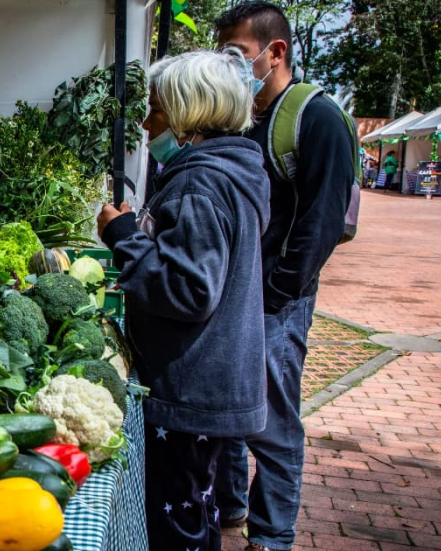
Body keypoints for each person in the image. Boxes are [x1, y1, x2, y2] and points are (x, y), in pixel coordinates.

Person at [97, 50, 270, 551]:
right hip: (215, 381)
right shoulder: (234, 171)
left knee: (178, 522)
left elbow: (189, 289)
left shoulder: (199, 182)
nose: (147, 125)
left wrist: (124, 237)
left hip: (190, 390)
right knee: (197, 508)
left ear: (188, 117)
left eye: (156, 110)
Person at [213, 3, 355, 551]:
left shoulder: (317, 119)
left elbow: (320, 223)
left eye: (238, 54)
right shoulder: (243, 116)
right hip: (233, 295)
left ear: (276, 53)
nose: (230, 66)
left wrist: (276, 293)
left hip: (277, 301)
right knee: (227, 410)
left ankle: (271, 535)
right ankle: (230, 508)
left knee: (272, 423)